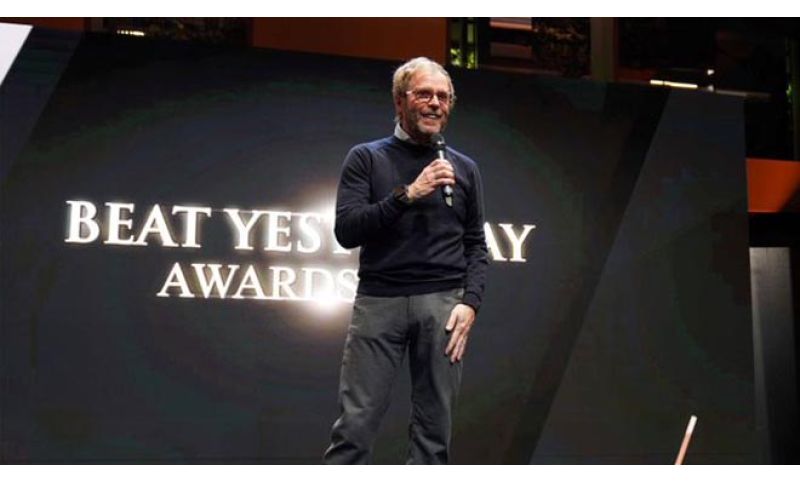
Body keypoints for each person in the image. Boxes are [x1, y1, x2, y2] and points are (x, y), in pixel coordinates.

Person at [323, 57, 488, 464]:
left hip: (444, 306)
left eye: (443, 97)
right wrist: (408, 194)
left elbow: (476, 245)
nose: (435, 103)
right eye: (424, 94)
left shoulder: (465, 168)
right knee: (355, 426)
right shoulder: (366, 158)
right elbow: (347, 230)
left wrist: (470, 303)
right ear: (399, 101)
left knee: (434, 433)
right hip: (380, 301)